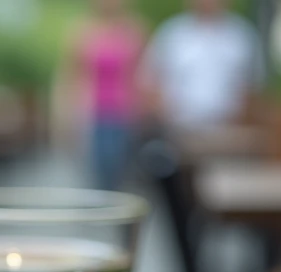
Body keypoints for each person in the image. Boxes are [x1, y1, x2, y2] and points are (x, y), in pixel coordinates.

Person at [139, 0, 266, 131]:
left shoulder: (243, 36)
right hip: (178, 131)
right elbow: (149, 83)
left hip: (229, 132)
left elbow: (254, 87)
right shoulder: (171, 34)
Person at [70, 0, 146, 190]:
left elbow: (142, 75)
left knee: (122, 173)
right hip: (94, 113)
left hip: (125, 113)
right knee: (97, 174)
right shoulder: (84, 31)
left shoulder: (134, 30)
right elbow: (74, 75)